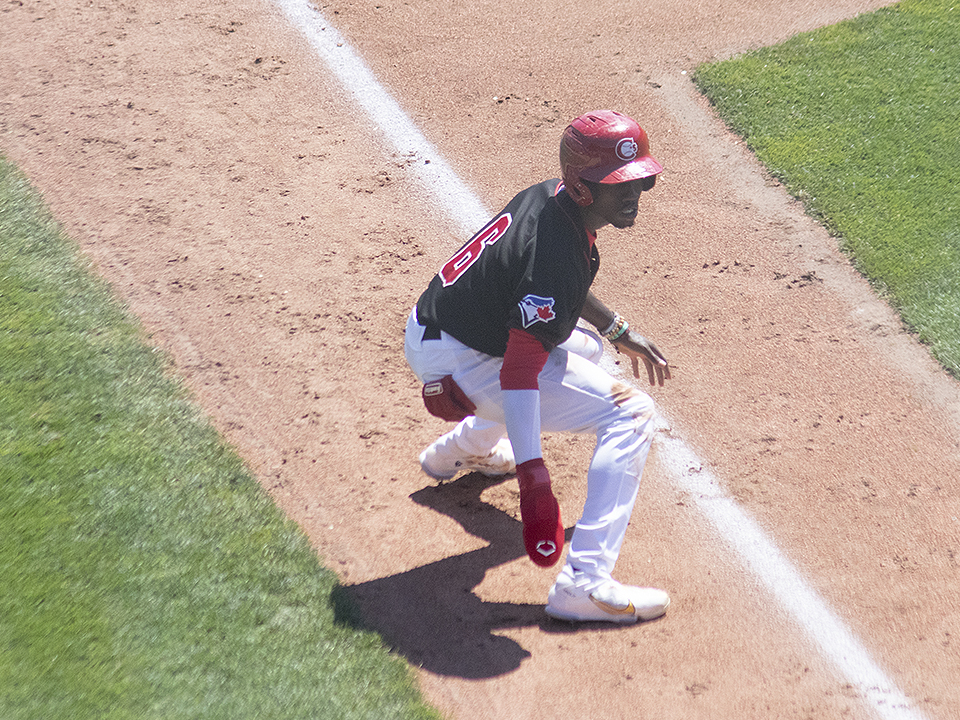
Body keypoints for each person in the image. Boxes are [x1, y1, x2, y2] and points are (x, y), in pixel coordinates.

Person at [404, 109, 672, 624]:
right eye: (619, 185)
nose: (634, 194)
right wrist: (533, 477)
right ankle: (584, 585)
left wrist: (618, 331)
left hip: (436, 327)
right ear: (583, 188)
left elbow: (556, 292)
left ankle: (462, 449)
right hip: (469, 360)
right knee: (632, 414)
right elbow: (519, 374)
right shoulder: (555, 252)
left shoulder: (550, 198)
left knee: (590, 349)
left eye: (640, 179)